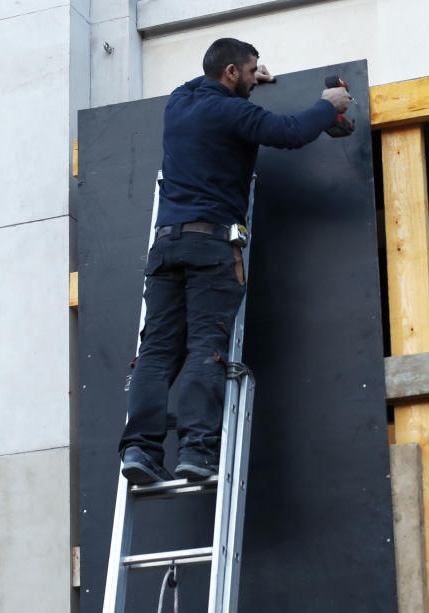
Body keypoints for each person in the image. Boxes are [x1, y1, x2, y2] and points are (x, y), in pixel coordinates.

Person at [118, 37, 352, 484]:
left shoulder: (180, 102)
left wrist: (249, 79)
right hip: (211, 247)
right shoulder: (232, 112)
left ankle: (139, 451)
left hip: (165, 247)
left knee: (155, 353)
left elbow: (206, 83)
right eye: (249, 71)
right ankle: (196, 452)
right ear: (230, 73)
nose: (254, 77)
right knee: (206, 347)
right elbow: (289, 132)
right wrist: (328, 104)